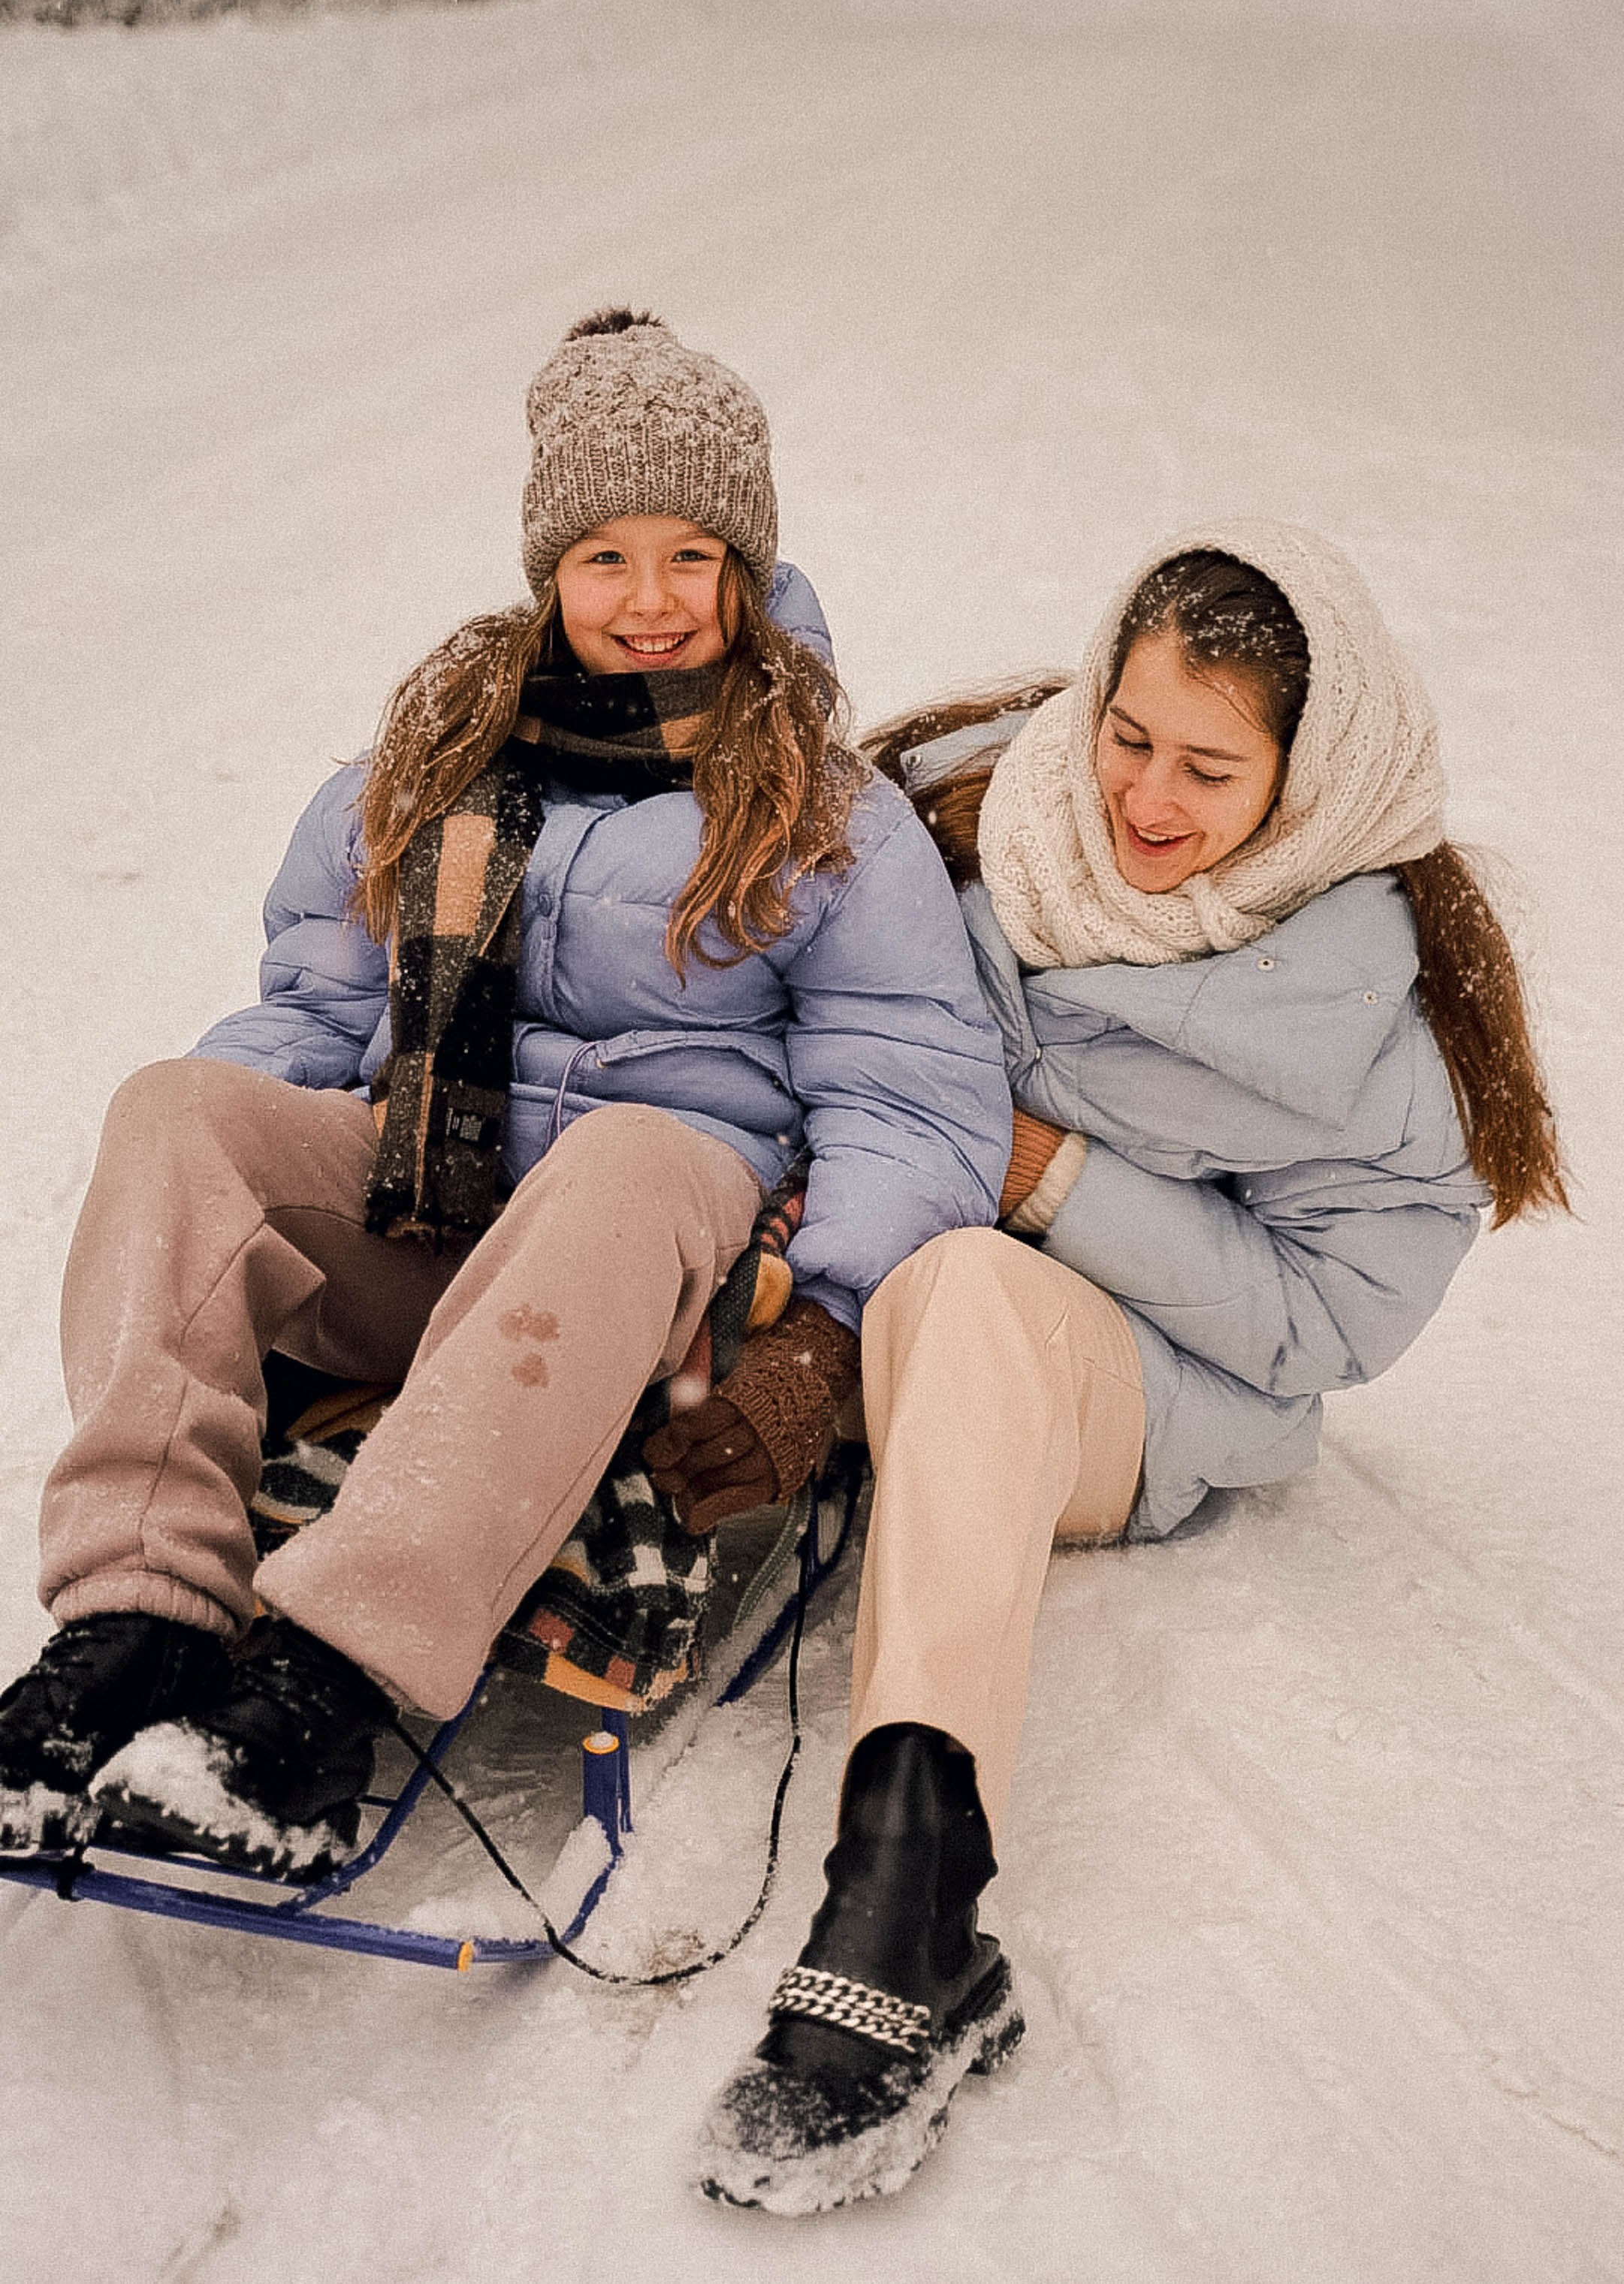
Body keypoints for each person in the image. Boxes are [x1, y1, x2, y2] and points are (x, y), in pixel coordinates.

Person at [0, 308, 1010, 1880]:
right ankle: (136, 1624)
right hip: (436, 1220)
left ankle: (326, 1683)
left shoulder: (823, 807)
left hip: (662, 1279)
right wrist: (226, 1231)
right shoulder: (431, 758)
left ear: (744, 569)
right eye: (605, 557)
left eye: (692, 556)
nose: (651, 600)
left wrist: (821, 1331)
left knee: (622, 1158)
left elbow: (911, 1098)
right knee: (175, 1107)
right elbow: (317, 1016)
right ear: (549, 570)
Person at [690, 520, 1568, 2215]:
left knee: (968, 1295)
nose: (1144, 800)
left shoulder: (1374, 1029)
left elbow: (1329, 1327)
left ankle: (910, 1900)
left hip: (1126, 1385)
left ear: (1306, 785)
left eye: (1211, 771)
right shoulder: (969, 806)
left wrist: (1050, 1176)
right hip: (874, 1285)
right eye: (1128, 735)